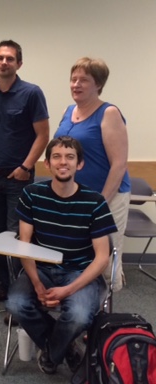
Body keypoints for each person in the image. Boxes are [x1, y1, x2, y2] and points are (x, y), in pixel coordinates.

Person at [5, 136, 117, 375]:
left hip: (79, 272)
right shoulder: (32, 194)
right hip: (41, 270)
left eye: (70, 157)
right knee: (15, 304)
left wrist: (67, 290)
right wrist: (37, 284)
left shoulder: (95, 202)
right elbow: (24, 244)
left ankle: (51, 353)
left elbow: (102, 258)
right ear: (47, 163)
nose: (63, 162)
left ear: (80, 164)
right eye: (56, 157)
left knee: (79, 315)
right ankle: (65, 348)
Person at [0, 40, 50, 302]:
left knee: (18, 236)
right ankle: (4, 285)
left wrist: (25, 166)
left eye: (9, 58)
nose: (4, 62)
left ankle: (21, 294)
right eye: (0, 58)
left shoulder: (31, 93)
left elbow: (43, 135)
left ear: (19, 63)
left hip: (19, 179)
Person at [54, 57, 130, 292]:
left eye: (84, 80)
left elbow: (119, 164)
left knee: (105, 259)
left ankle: (106, 309)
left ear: (98, 84)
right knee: (79, 255)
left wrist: (100, 204)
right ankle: (79, 304)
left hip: (108, 197)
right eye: (73, 79)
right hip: (75, 198)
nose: (76, 84)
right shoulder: (68, 111)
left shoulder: (109, 113)